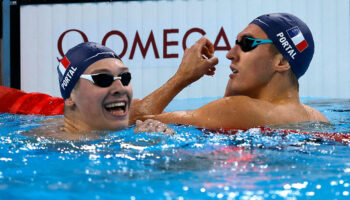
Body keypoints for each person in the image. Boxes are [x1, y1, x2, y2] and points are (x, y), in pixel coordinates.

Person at [132, 13, 329, 130]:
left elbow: (131, 120)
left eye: (247, 43)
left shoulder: (238, 109)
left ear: (282, 61)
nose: (229, 54)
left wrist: (182, 77)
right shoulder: (318, 119)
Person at [27, 42, 173, 140]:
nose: (120, 88)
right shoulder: (50, 143)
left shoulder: (121, 130)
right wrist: (139, 146)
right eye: (102, 79)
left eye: (124, 77)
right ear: (70, 96)